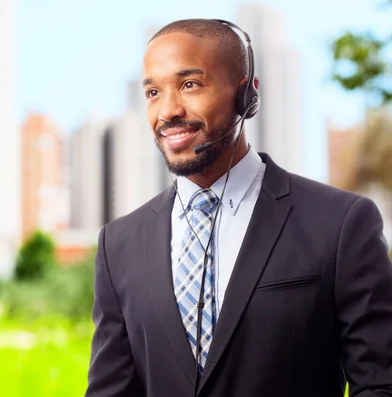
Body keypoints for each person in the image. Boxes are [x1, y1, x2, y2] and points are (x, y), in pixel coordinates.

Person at [84, 18, 392, 397]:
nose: (167, 111)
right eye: (152, 92)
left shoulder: (341, 223)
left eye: (190, 85)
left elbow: (381, 386)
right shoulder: (118, 245)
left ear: (246, 96)